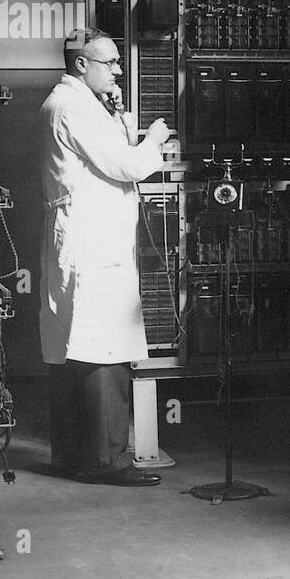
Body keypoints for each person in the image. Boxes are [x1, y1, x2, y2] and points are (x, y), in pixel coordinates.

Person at [39, 29, 171, 486]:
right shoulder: (73, 107)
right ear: (81, 64)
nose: (117, 71)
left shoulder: (78, 104)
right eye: (110, 63)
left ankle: (73, 456)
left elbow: (108, 153)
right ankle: (107, 462)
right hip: (91, 244)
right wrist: (154, 138)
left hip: (84, 240)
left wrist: (116, 112)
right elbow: (128, 165)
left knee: (73, 348)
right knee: (103, 348)